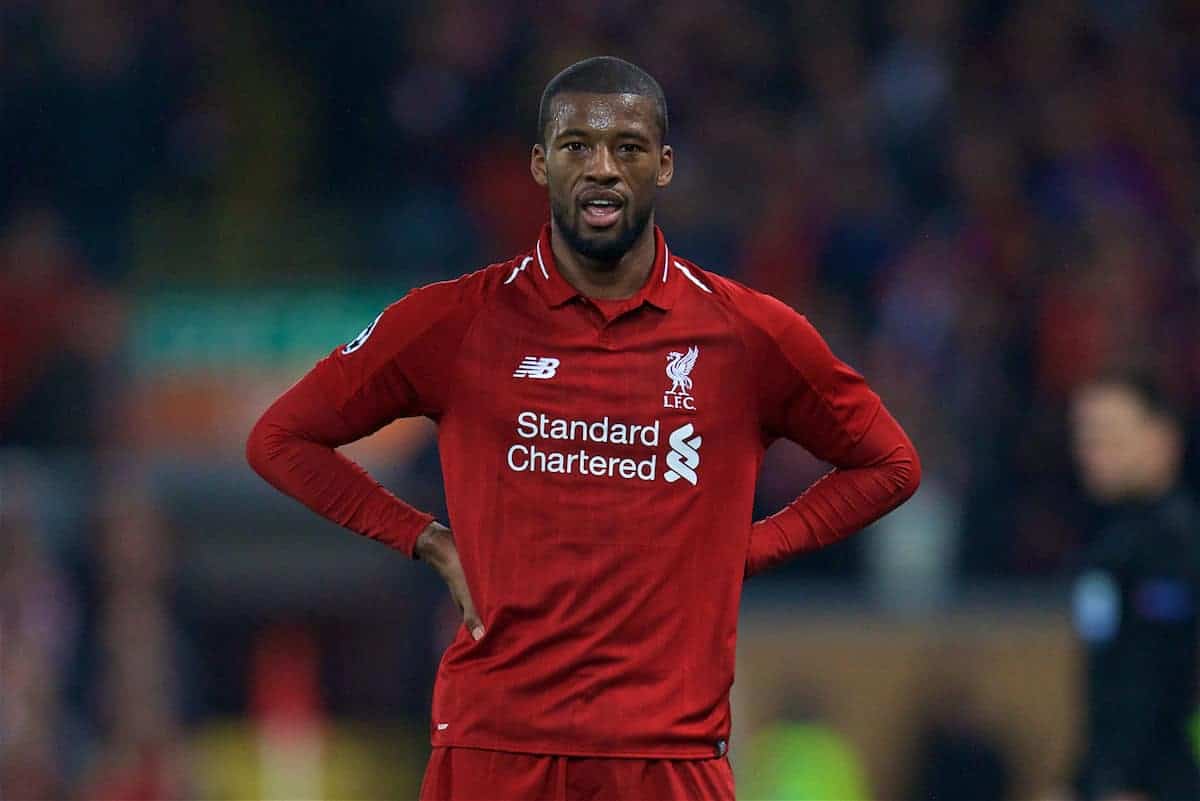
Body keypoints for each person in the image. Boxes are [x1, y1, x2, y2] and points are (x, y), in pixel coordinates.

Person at [245, 56, 920, 801]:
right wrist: (425, 538)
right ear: (540, 164)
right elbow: (280, 439)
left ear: (663, 166)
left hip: (666, 754)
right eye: (576, 146)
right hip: (496, 744)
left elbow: (888, 464)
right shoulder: (455, 321)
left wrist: (752, 547)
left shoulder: (747, 334)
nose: (601, 167)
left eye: (627, 147)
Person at [1068, 369, 1200, 801]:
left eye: (1108, 434)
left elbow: (1164, 680)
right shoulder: (1110, 544)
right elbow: (1111, 687)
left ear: (1162, 439)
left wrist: (1132, 783)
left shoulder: (1178, 546)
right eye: (1084, 435)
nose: (1091, 450)